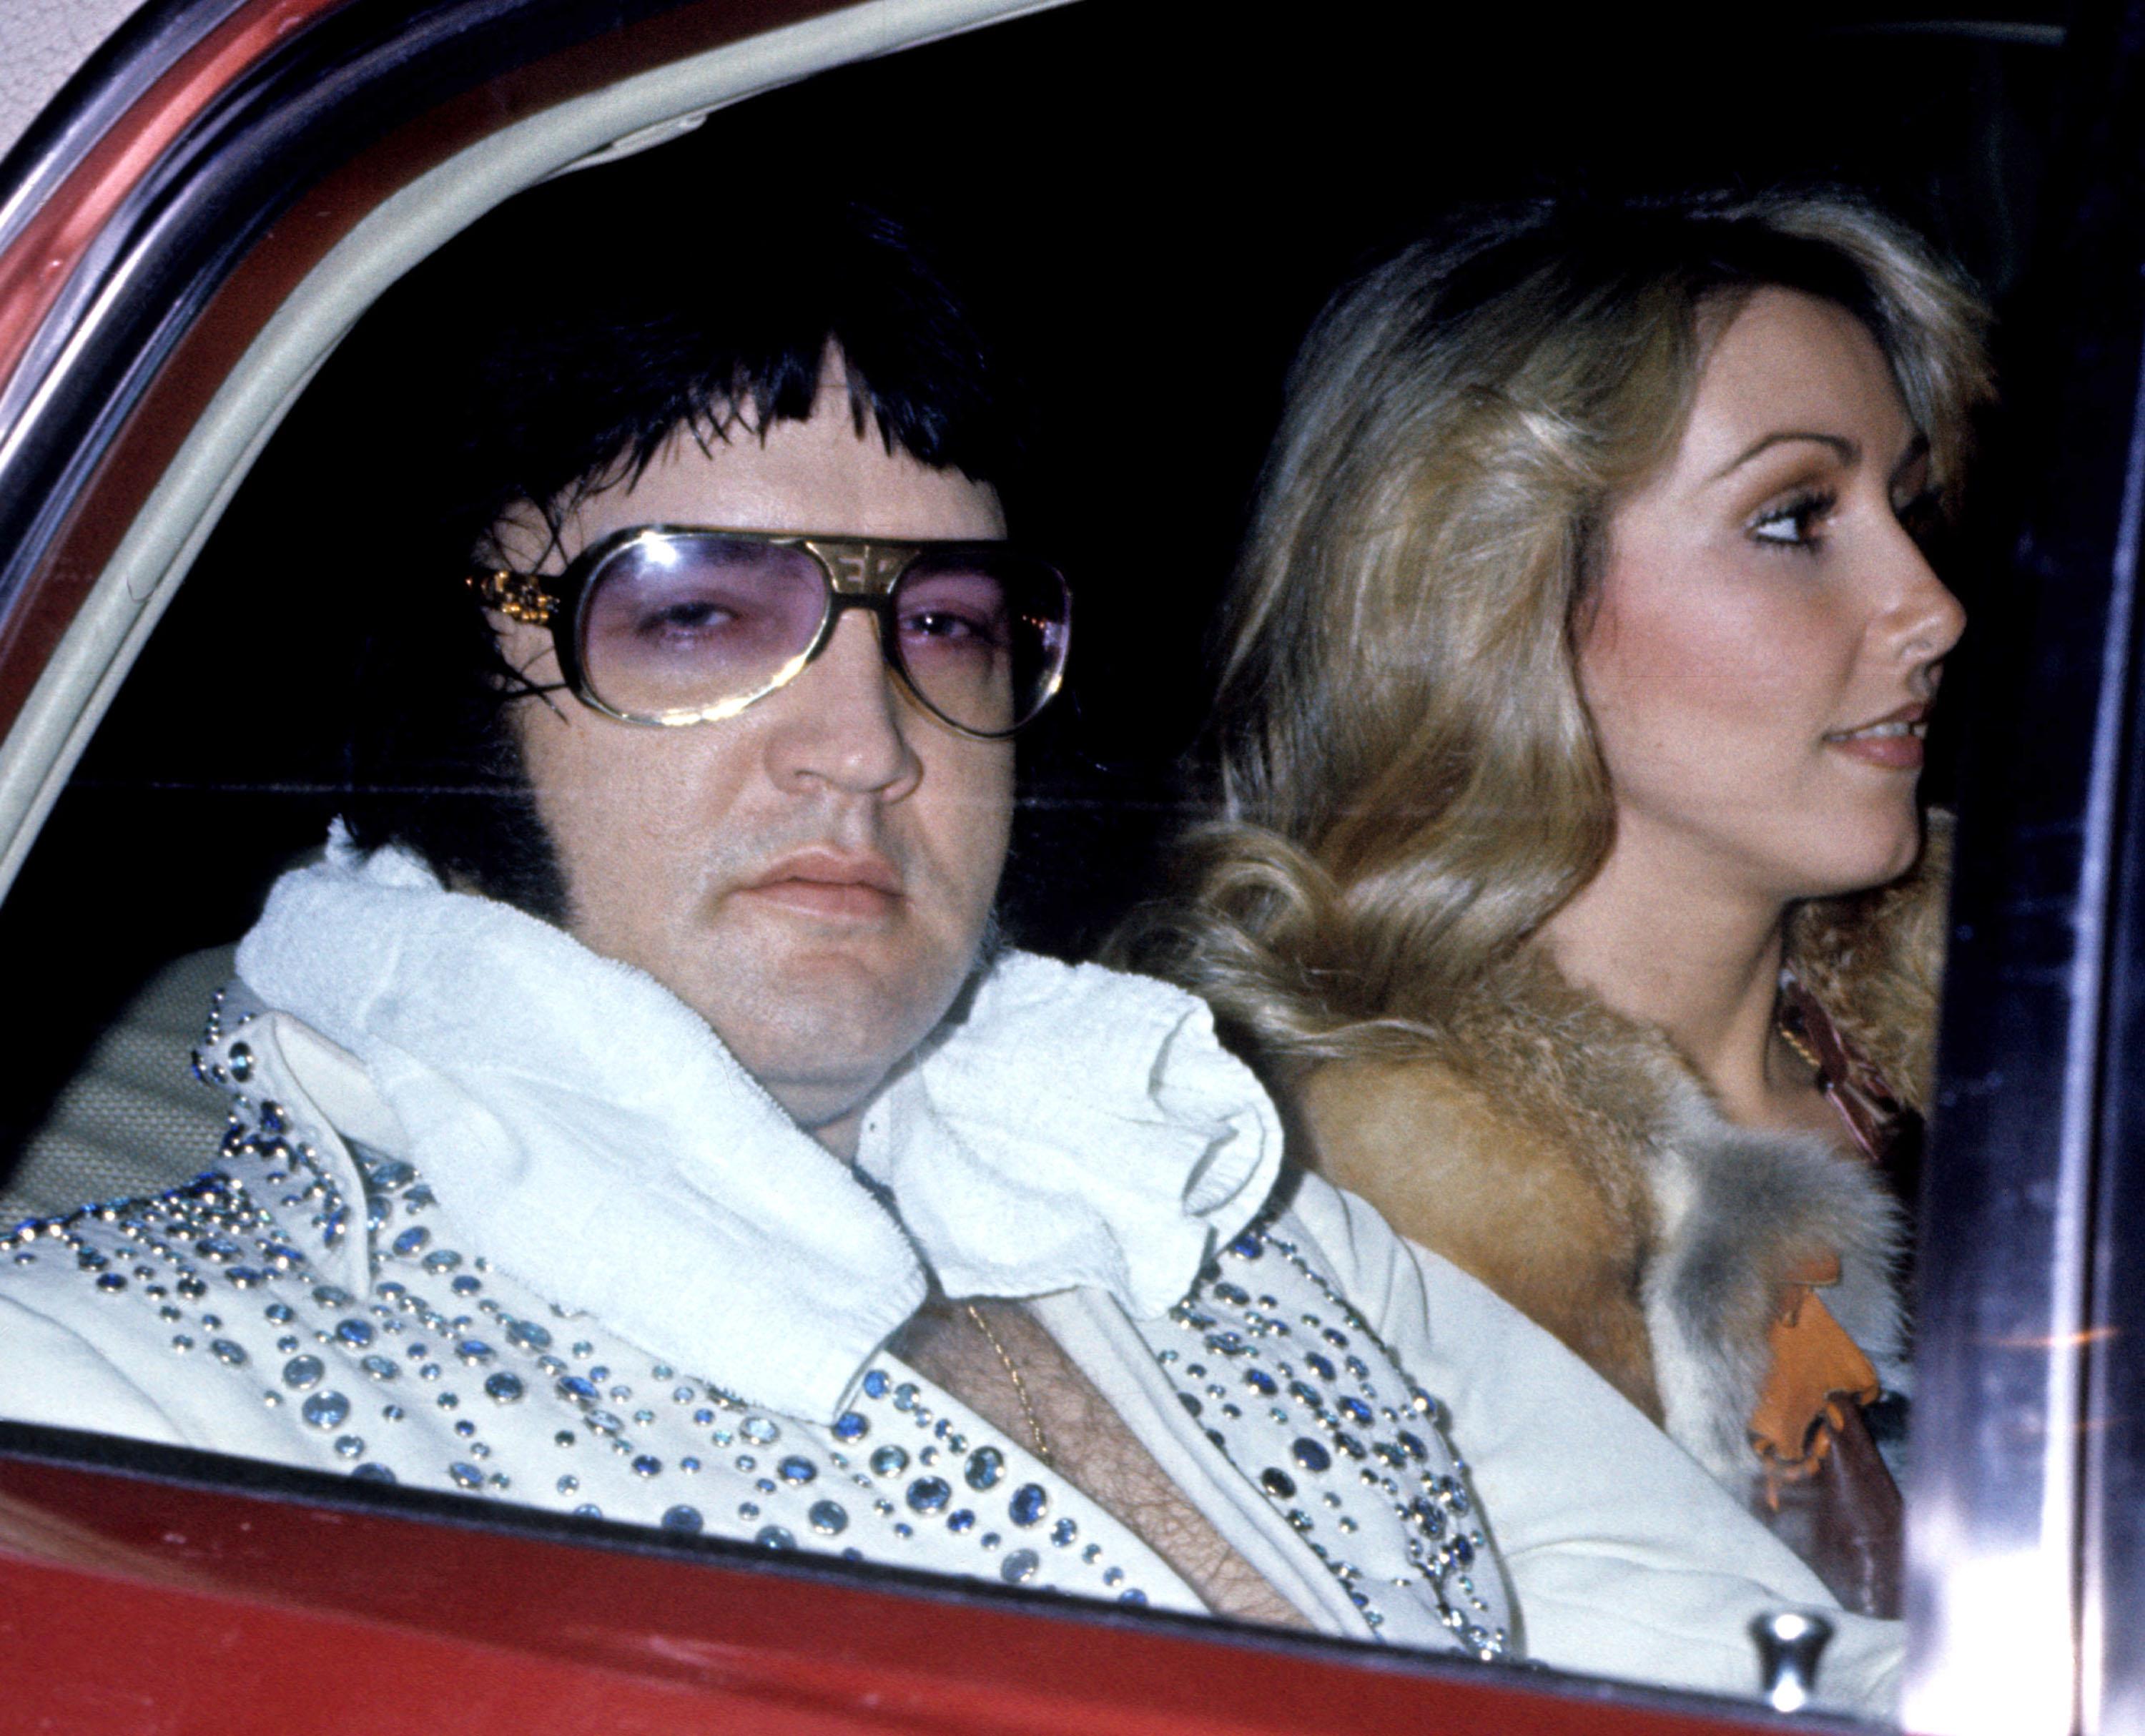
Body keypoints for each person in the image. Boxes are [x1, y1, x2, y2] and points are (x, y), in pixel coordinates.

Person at [0, 169, 1900, 1709]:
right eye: (693, 617)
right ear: (443, 686)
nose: (870, 742)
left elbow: (1760, 1669)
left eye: (946, 624)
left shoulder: (1213, 1199)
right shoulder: (112, 1402)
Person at [1122, 191, 1991, 1621]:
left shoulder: (2048, 1048)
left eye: (1904, 505)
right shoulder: (1330, 1238)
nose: (1930, 601)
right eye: (1794, 517)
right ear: (1500, 589)